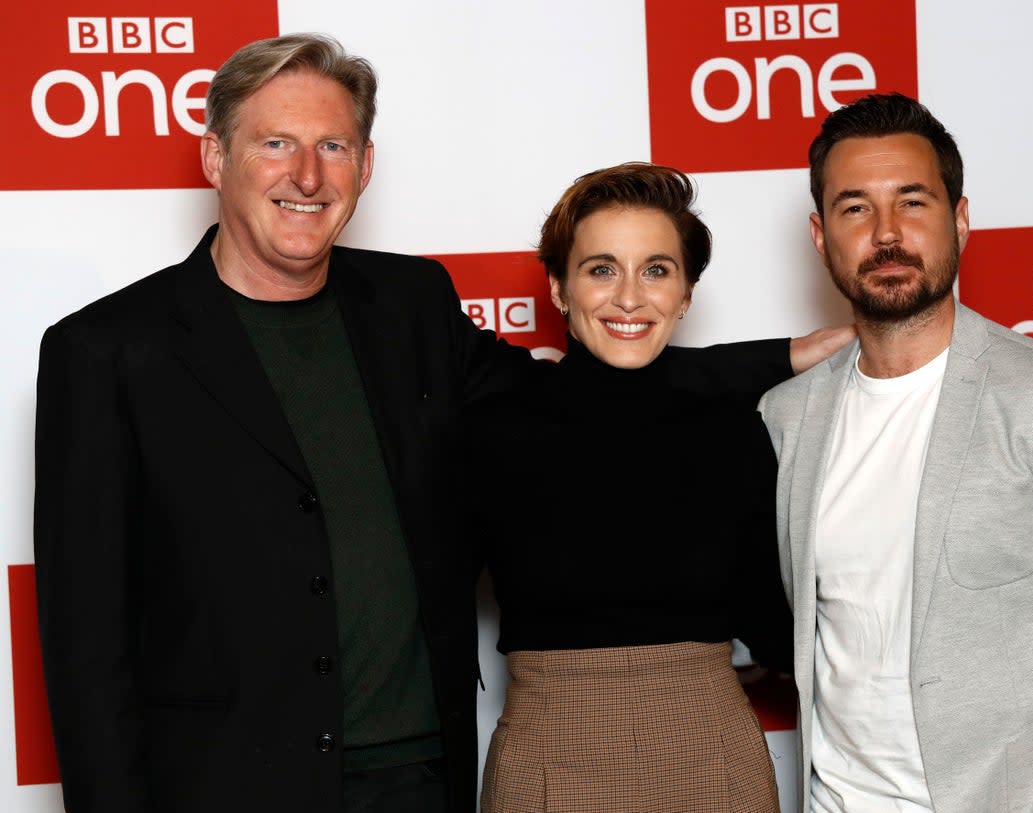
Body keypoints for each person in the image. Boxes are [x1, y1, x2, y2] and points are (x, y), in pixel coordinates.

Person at [33, 34, 850, 813]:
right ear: (217, 157)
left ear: (367, 164)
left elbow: (578, 387)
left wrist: (777, 356)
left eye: (335, 147)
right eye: (277, 144)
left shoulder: (412, 305)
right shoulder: (105, 352)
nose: (309, 175)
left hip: (420, 778)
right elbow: (84, 651)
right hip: (224, 785)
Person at [758, 92, 1033, 813]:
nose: (886, 233)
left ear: (959, 219)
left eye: (913, 202)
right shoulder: (790, 414)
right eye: (855, 208)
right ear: (820, 234)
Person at [466, 163, 793, 813]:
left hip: (713, 762)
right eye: (601, 268)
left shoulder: (731, 428)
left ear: (686, 294)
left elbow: (774, 623)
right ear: (559, 287)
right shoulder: (493, 429)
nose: (629, 297)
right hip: (548, 763)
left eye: (656, 269)